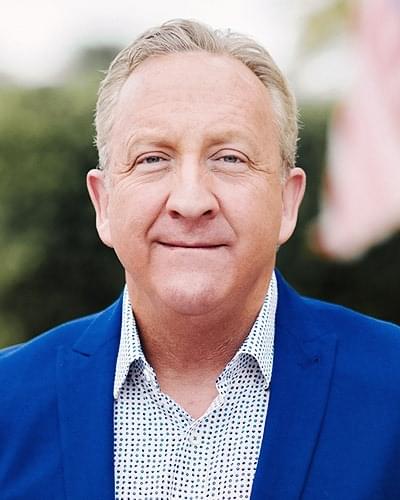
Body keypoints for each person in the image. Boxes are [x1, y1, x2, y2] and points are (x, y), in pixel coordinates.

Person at [1, 18, 399, 500]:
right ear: (103, 204)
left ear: (287, 202)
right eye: (152, 159)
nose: (191, 201)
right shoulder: (8, 399)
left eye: (230, 158)